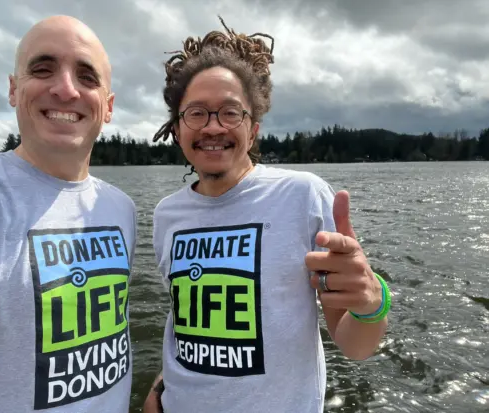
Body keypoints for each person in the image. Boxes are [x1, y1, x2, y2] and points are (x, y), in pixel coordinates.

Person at [143, 16, 391, 413]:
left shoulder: (303, 196)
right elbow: (189, 321)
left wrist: (372, 302)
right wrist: (159, 388)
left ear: (253, 129)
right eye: (196, 113)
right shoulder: (166, 214)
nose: (212, 127)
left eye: (230, 112)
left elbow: (354, 345)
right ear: (177, 128)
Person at [0, 15, 136, 412]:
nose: (65, 89)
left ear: (109, 106)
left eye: (87, 77)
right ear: (14, 90)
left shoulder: (121, 208)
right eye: (43, 69)